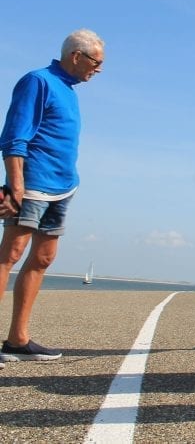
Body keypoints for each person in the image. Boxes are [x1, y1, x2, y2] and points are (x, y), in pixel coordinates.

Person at [0, 29, 105, 366]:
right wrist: (14, 185)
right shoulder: (38, 81)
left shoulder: (69, 90)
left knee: (43, 259)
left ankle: (18, 340)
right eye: (96, 62)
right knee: (10, 254)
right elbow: (14, 136)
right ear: (76, 55)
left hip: (63, 187)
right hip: (32, 184)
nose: (98, 69)